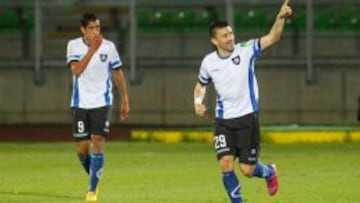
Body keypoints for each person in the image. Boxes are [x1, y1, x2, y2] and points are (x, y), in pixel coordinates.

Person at [193, 1, 292, 202]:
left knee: (247, 169)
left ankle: (268, 172)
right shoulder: (208, 62)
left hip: (247, 118)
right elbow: (200, 85)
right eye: (224, 36)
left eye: (230, 34)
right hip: (223, 122)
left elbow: (273, 38)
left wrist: (280, 18)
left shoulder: (246, 50)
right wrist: (197, 101)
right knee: (225, 164)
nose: (230, 38)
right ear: (214, 41)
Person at [66, 13, 130, 202]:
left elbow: (118, 73)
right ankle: (95, 176)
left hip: (102, 103)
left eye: (98, 28)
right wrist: (92, 50)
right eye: (92, 28)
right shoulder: (73, 45)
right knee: (82, 148)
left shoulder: (109, 47)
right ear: (83, 30)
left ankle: (92, 190)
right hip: (80, 104)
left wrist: (125, 99)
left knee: (97, 141)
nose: (96, 32)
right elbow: (77, 71)